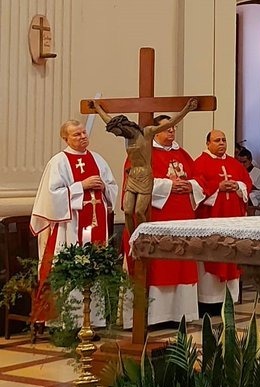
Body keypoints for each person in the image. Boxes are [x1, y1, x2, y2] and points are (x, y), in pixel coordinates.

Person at [30, 120, 118, 327]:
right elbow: (51, 196)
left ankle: (92, 321)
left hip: (97, 223)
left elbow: (113, 187)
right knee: (71, 268)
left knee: (95, 267)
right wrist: (82, 185)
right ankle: (68, 323)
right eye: (76, 134)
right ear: (65, 138)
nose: (82, 137)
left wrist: (104, 187)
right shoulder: (58, 162)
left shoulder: (97, 159)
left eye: (83, 133)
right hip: (69, 226)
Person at [122, 113, 206, 329]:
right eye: (166, 128)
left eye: (173, 128)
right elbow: (135, 179)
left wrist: (191, 186)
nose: (171, 131)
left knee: (181, 265)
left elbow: (200, 178)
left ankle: (180, 314)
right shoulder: (141, 153)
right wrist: (169, 186)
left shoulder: (183, 154)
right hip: (157, 218)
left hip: (183, 220)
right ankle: (152, 317)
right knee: (159, 266)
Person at [90, 98, 198, 235]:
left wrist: (186, 109)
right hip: (133, 176)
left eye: (117, 131)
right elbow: (108, 121)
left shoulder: (147, 133)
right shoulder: (127, 136)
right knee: (128, 211)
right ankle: (133, 237)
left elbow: (171, 122)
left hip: (145, 176)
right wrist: (97, 108)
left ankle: (143, 235)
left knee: (139, 211)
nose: (117, 134)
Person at [194, 130, 252, 313]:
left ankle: (229, 301)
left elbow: (247, 184)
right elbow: (197, 189)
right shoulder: (200, 163)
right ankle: (208, 302)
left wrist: (237, 186)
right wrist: (217, 187)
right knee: (212, 257)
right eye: (217, 140)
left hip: (233, 221)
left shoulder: (234, 164)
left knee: (231, 258)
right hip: (211, 220)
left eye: (224, 140)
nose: (221, 143)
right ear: (208, 144)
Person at [235, 148, 260, 212]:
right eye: (240, 162)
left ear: (250, 160)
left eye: (244, 162)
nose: (242, 165)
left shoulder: (258, 173)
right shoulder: (236, 171)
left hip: (252, 204)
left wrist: (247, 193)